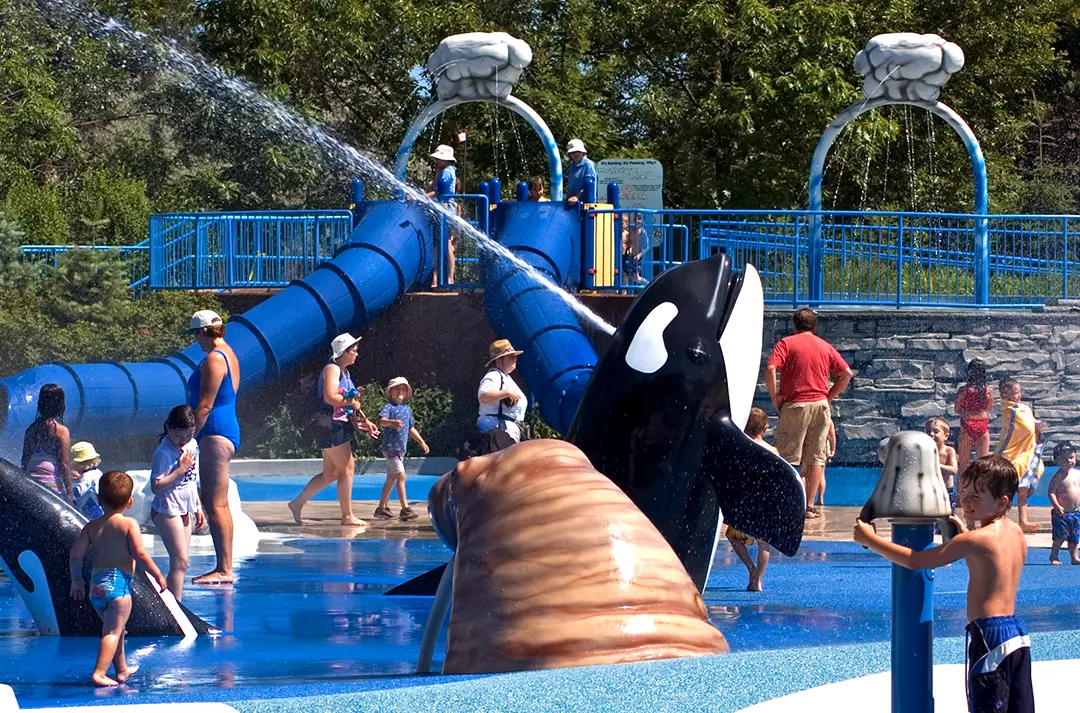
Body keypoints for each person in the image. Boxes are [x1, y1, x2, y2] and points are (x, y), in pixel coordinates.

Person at [854, 456, 1032, 713]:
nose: (965, 503)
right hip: (1016, 633)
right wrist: (963, 534)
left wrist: (870, 539)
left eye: (976, 498)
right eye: (964, 494)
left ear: (1002, 501)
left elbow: (916, 561)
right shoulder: (1015, 533)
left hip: (989, 636)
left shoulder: (975, 540)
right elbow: (991, 566)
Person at [68, 471, 168, 687]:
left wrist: (77, 580)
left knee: (117, 628)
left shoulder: (91, 527)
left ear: (99, 499)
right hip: (118, 586)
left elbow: (76, 555)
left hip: (96, 587)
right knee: (113, 632)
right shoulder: (129, 524)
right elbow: (139, 554)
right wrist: (157, 574)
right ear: (130, 502)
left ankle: (121, 670)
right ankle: (100, 673)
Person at [765, 309, 853, 518]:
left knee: (785, 455)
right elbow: (846, 373)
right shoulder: (825, 346)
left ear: (794, 324)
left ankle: (784, 503)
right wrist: (828, 396)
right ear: (814, 325)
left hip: (796, 404)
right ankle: (808, 506)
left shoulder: (787, 343)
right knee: (816, 457)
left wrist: (774, 395)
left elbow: (770, 368)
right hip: (820, 405)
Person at [288, 333, 378, 527]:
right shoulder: (332, 369)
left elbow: (349, 404)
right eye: (353, 351)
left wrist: (365, 420)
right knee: (347, 468)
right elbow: (330, 397)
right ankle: (347, 516)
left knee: (331, 474)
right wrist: (353, 402)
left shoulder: (344, 373)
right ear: (342, 352)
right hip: (328, 424)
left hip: (336, 424)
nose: (356, 354)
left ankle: (297, 504)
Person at [187, 309, 241, 584]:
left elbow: (206, 404)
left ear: (201, 333)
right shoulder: (229, 352)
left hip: (215, 432)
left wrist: (188, 436)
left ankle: (224, 568)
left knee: (215, 503)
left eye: (195, 335)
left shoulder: (213, 359)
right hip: (225, 428)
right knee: (218, 503)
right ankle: (224, 566)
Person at [150, 406, 204, 601]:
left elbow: (192, 479)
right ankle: (175, 607)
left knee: (182, 563)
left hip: (185, 508)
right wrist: (180, 469)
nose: (183, 440)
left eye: (189, 434)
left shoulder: (193, 445)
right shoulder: (163, 453)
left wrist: (197, 506)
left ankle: (172, 603)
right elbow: (156, 486)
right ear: (168, 428)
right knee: (180, 561)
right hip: (166, 510)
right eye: (178, 435)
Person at [727, 407, 775, 592]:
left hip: (745, 502)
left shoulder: (741, 448)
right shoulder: (772, 450)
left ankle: (751, 570)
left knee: (733, 537)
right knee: (764, 542)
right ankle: (759, 580)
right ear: (765, 428)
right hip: (765, 503)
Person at [374, 377, 430, 522]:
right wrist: (392, 422)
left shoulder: (407, 409)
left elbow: (411, 428)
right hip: (391, 448)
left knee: (391, 478)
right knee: (401, 475)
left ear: (406, 393)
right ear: (391, 392)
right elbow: (381, 421)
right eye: (397, 389)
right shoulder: (389, 407)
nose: (400, 391)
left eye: (403, 389)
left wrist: (421, 441)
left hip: (400, 449)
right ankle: (405, 509)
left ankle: (381, 509)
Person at [995, 377, 1044, 533]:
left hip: (1026, 453)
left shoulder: (1024, 408)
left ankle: (1023, 521)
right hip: (1013, 454)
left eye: (1019, 392)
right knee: (1005, 491)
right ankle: (998, 519)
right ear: (1006, 395)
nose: (1019, 395)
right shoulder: (1009, 410)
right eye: (1016, 393)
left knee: (1024, 488)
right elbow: (1012, 430)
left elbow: (1029, 423)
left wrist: (1036, 425)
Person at [21, 383, 76, 501]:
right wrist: (70, 493)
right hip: (51, 487)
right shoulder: (60, 431)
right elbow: (64, 464)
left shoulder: (31, 430)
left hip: (31, 485)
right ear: (60, 405)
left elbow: (24, 461)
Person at [477, 339, 528, 444]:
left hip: (505, 433)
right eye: (511, 356)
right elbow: (483, 396)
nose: (515, 359)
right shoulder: (494, 375)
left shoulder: (505, 377)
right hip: (496, 432)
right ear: (499, 360)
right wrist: (506, 393)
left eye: (515, 356)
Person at [426, 144, 458, 286]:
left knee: (446, 245)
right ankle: (439, 278)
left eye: (438, 159)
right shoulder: (444, 172)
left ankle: (448, 279)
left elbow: (439, 193)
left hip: (446, 210)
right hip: (443, 211)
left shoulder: (447, 172)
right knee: (441, 245)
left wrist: (419, 197)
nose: (436, 161)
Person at [956, 358, 993, 477]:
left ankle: (961, 494)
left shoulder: (964, 391)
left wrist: (966, 410)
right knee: (983, 465)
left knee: (963, 465)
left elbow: (956, 409)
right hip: (982, 423)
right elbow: (988, 407)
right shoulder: (988, 391)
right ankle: (981, 493)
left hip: (968, 423)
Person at [1047, 442, 1080, 565]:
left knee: (1074, 538)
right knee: (1060, 537)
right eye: (1064, 459)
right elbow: (1051, 493)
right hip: (1062, 513)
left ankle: (1074, 557)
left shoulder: (1077, 474)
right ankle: (1054, 555)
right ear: (1057, 461)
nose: (1069, 461)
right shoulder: (1058, 477)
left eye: (1071, 458)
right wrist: (1056, 506)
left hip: (1075, 513)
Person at [926, 417, 959, 512]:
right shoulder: (925, 451)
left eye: (936, 431)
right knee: (932, 516)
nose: (931, 434)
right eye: (928, 432)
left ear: (946, 436)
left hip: (947, 490)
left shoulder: (949, 451)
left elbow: (954, 470)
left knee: (948, 517)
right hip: (931, 490)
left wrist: (937, 465)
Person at [71, 441, 105, 520]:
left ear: (80, 464)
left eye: (73, 464)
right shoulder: (97, 472)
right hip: (96, 512)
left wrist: (63, 490)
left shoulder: (89, 476)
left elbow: (78, 491)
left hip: (94, 513)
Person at [564, 138, 597, 203]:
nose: (576, 154)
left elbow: (589, 186)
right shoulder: (572, 165)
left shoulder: (589, 164)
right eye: (573, 152)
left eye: (578, 151)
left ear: (583, 152)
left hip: (586, 204)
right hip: (572, 203)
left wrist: (577, 197)